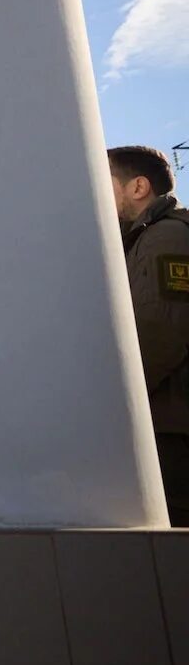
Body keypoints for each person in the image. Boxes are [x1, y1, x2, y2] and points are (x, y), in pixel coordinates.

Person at [109, 146, 189, 524]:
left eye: (105, 183)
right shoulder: (141, 240)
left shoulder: (167, 237)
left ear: (138, 186)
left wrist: (116, 410)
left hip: (174, 428)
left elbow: (159, 333)